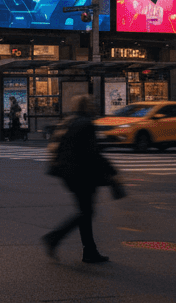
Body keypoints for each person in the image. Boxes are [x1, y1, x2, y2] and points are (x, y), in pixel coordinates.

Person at [42, 96, 115, 264]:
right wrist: (111, 172)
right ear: (87, 106)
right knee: (86, 213)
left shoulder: (69, 121)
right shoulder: (86, 124)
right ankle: (54, 237)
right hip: (82, 174)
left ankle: (89, 251)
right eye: (91, 104)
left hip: (67, 174)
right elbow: (92, 153)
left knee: (85, 212)